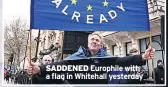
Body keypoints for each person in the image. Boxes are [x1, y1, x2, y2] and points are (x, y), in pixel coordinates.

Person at [27, 34, 155, 84]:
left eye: (97, 40)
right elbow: (59, 65)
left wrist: (143, 57)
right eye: (92, 39)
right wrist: (40, 69)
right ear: (88, 43)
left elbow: (123, 61)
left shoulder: (106, 57)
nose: (94, 41)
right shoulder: (76, 57)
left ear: (101, 44)